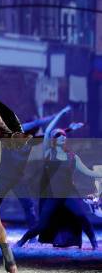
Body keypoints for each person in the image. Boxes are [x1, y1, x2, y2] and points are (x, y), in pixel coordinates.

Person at [15, 106, 102, 249]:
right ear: (54, 141)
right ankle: (22, 241)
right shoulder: (49, 153)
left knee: (81, 217)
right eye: (58, 136)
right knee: (42, 225)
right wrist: (61, 113)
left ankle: (94, 243)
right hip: (53, 195)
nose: (61, 137)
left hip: (69, 194)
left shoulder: (72, 157)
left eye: (63, 135)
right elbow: (48, 131)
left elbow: (88, 172)